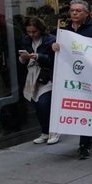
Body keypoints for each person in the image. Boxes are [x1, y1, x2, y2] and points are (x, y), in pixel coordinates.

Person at [51, 0, 92, 159]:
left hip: (89, 76)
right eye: (72, 10)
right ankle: (84, 143)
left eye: (78, 11)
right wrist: (54, 48)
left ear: (86, 14)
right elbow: (57, 56)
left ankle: (85, 143)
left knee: (88, 108)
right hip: (71, 78)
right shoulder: (63, 32)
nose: (74, 13)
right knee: (77, 108)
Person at [19, 17, 60, 145]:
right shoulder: (26, 40)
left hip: (46, 76)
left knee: (44, 104)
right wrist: (23, 58)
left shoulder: (50, 40)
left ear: (40, 30)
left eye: (34, 32)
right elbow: (21, 60)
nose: (31, 34)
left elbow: (54, 60)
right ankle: (45, 131)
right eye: (29, 32)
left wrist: (38, 56)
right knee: (37, 105)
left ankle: (54, 131)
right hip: (32, 76)